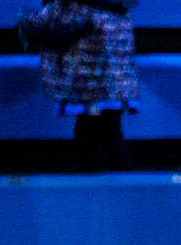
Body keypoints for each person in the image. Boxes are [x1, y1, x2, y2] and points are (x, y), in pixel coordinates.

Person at [24, 0, 135, 164]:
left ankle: (95, 184)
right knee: (109, 130)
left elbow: (56, 20)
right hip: (114, 80)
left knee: (90, 134)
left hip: (89, 81)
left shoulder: (76, 5)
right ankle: (125, 184)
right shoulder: (119, 6)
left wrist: (25, 21)